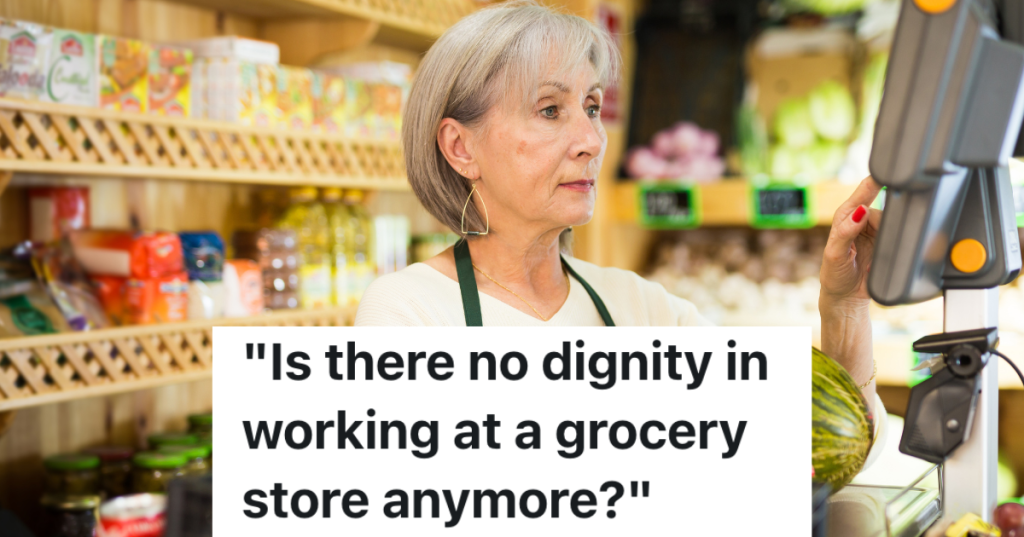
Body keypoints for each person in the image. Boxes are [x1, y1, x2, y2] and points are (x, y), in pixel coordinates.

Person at [355, 1, 885, 429]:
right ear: (460, 147)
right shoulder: (409, 314)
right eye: (549, 110)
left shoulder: (641, 307)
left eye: (590, 107)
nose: (590, 140)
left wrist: (844, 308)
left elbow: (814, 442)